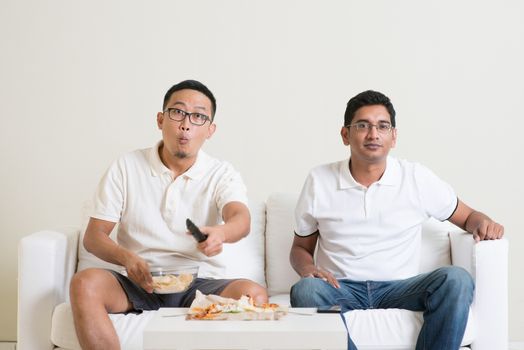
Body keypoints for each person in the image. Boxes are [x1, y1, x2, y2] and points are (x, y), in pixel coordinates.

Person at [289, 90, 504, 350]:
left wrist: (483, 222)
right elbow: (300, 248)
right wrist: (307, 270)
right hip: (341, 287)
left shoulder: (416, 178)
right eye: (362, 126)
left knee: (456, 280)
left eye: (382, 126)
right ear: (345, 135)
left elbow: (468, 216)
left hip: (401, 287)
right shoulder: (319, 180)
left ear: (394, 136)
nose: (373, 134)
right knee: (305, 290)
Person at [70, 80, 268, 349]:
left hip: (197, 284)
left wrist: (220, 232)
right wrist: (127, 258)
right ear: (161, 119)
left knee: (254, 294)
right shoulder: (126, 165)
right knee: (84, 283)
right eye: (178, 112)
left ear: (210, 130)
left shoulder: (221, 173)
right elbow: (94, 237)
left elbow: (240, 219)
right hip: (138, 281)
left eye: (198, 116)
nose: (186, 124)